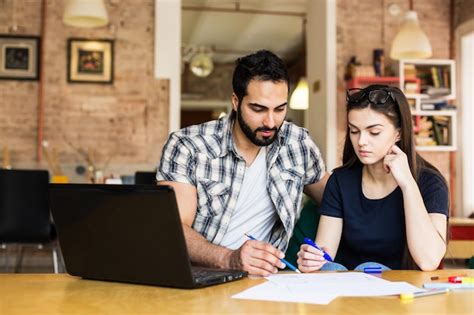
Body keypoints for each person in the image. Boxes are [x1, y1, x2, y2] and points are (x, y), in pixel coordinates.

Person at [157, 50, 329, 276]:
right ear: (236, 101)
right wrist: (229, 258)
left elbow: (337, 199)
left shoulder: (297, 144)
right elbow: (174, 229)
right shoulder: (189, 145)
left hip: (266, 283)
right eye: (258, 109)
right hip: (198, 279)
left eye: (279, 109)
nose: (270, 122)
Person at [297, 85, 448, 272]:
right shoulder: (341, 181)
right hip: (350, 292)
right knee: (353, 269)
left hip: (404, 293)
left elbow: (429, 260)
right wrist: (312, 259)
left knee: (370, 267)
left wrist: (408, 184)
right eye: (354, 131)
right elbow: (325, 255)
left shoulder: (430, 183)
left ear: (398, 133)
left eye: (374, 132)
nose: (361, 141)